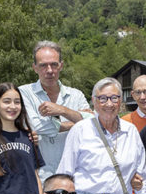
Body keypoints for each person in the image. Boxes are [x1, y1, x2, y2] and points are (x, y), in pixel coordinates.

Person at [19, 41, 92, 184]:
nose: (49, 70)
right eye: (43, 65)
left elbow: (93, 124)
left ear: (61, 66)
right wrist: (75, 122)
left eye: (54, 64)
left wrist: (62, 110)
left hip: (74, 177)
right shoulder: (23, 93)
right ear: (34, 68)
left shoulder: (76, 95)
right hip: (39, 178)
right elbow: (35, 126)